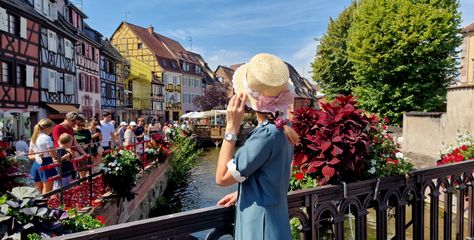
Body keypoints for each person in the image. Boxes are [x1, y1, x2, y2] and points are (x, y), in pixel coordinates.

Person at [215, 53, 300, 240]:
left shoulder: (266, 135)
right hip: (276, 224)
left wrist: (231, 129)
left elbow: (221, 178)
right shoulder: (284, 129)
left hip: (259, 228)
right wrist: (244, 192)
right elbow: (272, 176)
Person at [28, 118, 58, 194]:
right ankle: (46, 205)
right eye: (52, 128)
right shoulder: (47, 138)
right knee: (47, 191)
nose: (52, 131)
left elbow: (30, 156)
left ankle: (39, 205)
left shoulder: (33, 138)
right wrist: (58, 155)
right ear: (48, 128)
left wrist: (37, 155)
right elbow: (53, 154)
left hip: (36, 164)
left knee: (38, 191)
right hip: (46, 163)